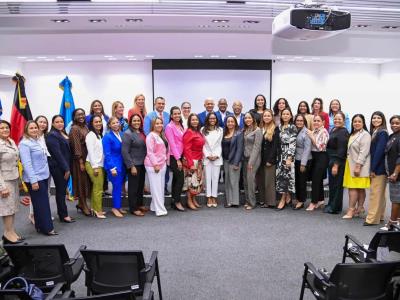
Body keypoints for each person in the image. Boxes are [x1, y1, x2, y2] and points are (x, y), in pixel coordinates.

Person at [19, 121, 57, 236]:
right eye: (31, 128)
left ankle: (40, 226)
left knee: (39, 203)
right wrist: (33, 181)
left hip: (43, 175)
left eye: (35, 127)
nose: (34, 130)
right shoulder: (25, 144)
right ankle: (48, 228)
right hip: (35, 178)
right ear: (26, 130)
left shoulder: (37, 141)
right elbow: (27, 164)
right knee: (43, 204)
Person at [45, 115, 75, 223]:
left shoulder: (62, 133)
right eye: (57, 122)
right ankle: (63, 215)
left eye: (61, 121)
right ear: (52, 124)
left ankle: (63, 213)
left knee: (62, 191)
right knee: (61, 192)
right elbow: (57, 154)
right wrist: (66, 169)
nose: (60, 123)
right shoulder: (51, 135)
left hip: (65, 166)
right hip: (59, 168)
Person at [343, 114, 371, 219]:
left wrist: (358, 166)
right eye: (355, 121)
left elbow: (364, 152)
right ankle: (360, 208)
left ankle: (351, 210)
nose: (357, 123)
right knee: (359, 189)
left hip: (358, 165)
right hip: (350, 164)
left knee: (353, 188)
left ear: (363, 123)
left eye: (359, 121)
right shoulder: (353, 134)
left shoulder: (365, 135)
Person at [0, 120, 23, 244]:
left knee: (13, 207)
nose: (5, 130)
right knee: (7, 209)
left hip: (13, 178)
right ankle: (7, 233)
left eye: (6, 128)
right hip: (5, 181)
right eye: (2, 128)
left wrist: (19, 179)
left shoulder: (11, 141)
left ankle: (11, 231)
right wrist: (2, 187)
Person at [364, 111, 389, 225]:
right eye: (374, 118)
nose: (376, 120)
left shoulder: (382, 133)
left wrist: (372, 169)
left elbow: (379, 152)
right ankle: (380, 216)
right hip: (378, 167)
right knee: (380, 194)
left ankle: (372, 219)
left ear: (382, 120)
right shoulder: (375, 131)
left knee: (375, 193)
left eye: (379, 118)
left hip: (378, 168)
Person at [122, 113, 148, 216]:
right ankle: (133, 208)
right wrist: (131, 166)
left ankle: (139, 204)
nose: (137, 122)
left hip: (142, 163)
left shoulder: (141, 132)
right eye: (134, 121)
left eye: (138, 120)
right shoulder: (127, 134)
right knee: (133, 187)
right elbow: (125, 152)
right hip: (134, 165)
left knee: (140, 186)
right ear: (130, 122)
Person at [324, 111, 349, 214]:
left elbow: (342, 150)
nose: (337, 120)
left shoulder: (343, 132)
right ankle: (331, 204)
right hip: (331, 160)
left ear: (344, 120)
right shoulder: (334, 129)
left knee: (337, 186)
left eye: (339, 119)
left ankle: (335, 208)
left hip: (337, 162)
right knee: (333, 185)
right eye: (335, 119)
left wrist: (336, 165)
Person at [145, 118, 169, 217]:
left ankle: (154, 206)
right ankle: (160, 210)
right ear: (153, 125)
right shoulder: (150, 136)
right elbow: (150, 152)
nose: (159, 125)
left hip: (162, 164)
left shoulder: (162, 135)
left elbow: (166, 150)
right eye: (157, 123)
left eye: (161, 123)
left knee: (160, 187)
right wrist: (155, 164)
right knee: (156, 188)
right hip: (153, 165)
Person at [102, 117, 126, 218]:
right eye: (113, 123)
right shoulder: (107, 137)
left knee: (119, 186)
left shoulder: (121, 134)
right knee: (116, 187)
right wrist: (112, 168)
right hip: (113, 165)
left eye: (117, 122)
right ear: (110, 125)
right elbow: (107, 154)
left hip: (121, 164)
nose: (116, 124)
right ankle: (115, 208)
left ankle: (118, 206)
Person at [69, 108, 91, 216]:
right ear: (74, 117)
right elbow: (76, 146)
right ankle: (83, 204)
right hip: (79, 159)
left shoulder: (85, 127)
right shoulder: (74, 129)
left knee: (86, 181)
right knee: (81, 182)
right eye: (78, 115)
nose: (81, 116)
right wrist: (81, 161)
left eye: (83, 114)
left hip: (87, 157)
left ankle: (82, 203)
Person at [306, 114, 329, 211]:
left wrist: (311, 137)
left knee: (315, 180)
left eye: (318, 121)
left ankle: (313, 202)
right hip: (314, 157)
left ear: (323, 122)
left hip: (321, 157)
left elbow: (321, 147)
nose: (316, 122)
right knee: (317, 180)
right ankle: (320, 200)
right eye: (314, 121)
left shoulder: (324, 132)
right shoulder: (314, 131)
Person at [85, 115, 106, 219]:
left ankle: (94, 208)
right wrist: (95, 167)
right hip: (93, 164)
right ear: (92, 123)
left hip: (99, 164)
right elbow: (91, 152)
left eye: (100, 121)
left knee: (96, 187)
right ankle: (98, 210)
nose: (98, 123)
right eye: (96, 122)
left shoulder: (99, 134)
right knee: (98, 188)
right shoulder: (91, 135)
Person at [183, 113, 205, 210]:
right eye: (193, 120)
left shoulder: (198, 132)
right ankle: (189, 201)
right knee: (190, 182)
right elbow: (186, 149)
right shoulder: (189, 132)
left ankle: (194, 199)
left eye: (196, 120)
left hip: (199, 159)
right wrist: (191, 164)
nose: (195, 121)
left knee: (196, 182)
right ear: (189, 121)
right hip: (192, 160)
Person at [165, 107, 185, 212]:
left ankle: (173, 201)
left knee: (176, 180)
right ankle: (177, 201)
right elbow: (172, 144)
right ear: (171, 115)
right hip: (174, 156)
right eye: (175, 114)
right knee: (180, 179)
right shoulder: (169, 127)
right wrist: (178, 159)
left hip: (181, 155)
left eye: (178, 113)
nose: (177, 115)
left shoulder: (180, 125)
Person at [276, 108, 297, 210]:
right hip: (280, 155)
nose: (285, 115)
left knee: (286, 177)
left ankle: (283, 199)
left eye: (287, 114)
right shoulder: (279, 127)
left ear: (290, 116)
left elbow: (293, 144)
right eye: (283, 114)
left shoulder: (292, 127)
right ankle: (287, 196)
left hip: (288, 155)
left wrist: (289, 158)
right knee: (282, 176)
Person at [382, 115, 400, 229]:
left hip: (397, 174)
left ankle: (391, 223)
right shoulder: (393, 136)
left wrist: (395, 173)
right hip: (393, 172)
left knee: (395, 199)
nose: (394, 125)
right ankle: (398, 221)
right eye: (392, 123)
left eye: (397, 123)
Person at [202, 112, 223, 207]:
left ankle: (214, 197)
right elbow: (202, 144)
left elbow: (219, 144)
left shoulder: (220, 130)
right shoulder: (202, 129)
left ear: (216, 120)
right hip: (207, 158)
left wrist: (217, 155)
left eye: (214, 118)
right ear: (207, 119)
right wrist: (207, 155)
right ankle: (208, 197)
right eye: (210, 118)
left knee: (215, 178)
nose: (212, 120)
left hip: (217, 157)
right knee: (207, 178)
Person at [222, 116, 243, 207]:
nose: (230, 123)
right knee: (227, 181)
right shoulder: (223, 133)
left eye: (232, 121)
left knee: (234, 181)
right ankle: (229, 201)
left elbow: (239, 149)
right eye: (228, 121)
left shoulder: (239, 133)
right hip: (225, 161)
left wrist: (236, 162)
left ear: (235, 123)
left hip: (234, 161)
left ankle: (235, 201)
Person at [259, 109, 279, 208]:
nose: (266, 117)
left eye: (268, 116)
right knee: (262, 181)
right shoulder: (260, 128)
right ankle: (263, 200)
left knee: (269, 182)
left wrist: (270, 160)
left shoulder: (275, 129)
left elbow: (275, 147)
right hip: (260, 160)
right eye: (265, 116)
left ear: (272, 117)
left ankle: (270, 202)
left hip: (269, 160)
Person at [243, 112, 262, 210]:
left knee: (251, 181)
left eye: (249, 118)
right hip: (245, 158)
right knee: (246, 181)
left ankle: (252, 203)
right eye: (246, 118)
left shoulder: (257, 130)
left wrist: (251, 162)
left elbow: (257, 147)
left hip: (253, 159)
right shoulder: (245, 129)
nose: (247, 119)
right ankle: (247, 200)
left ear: (253, 119)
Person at [293, 114, 312, 210]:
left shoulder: (307, 132)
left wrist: (303, 164)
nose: (299, 122)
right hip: (296, 158)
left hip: (303, 160)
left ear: (304, 122)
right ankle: (298, 198)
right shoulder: (294, 130)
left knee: (301, 181)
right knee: (296, 180)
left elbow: (307, 149)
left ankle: (301, 201)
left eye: (301, 121)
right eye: (297, 120)